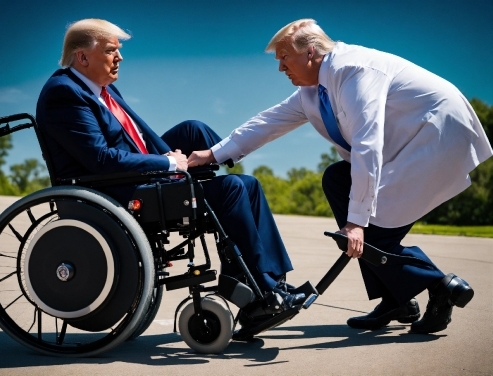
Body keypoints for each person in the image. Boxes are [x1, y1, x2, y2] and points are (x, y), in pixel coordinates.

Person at [188, 19, 493, 334]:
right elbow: (267, 122)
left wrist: (357, 221)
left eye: (284, 58)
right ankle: (398, 298)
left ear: (310, 53)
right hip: (406, 143)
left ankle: (441, 285)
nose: (280, 68)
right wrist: (212, 154)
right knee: (337, 179)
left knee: (375, 231)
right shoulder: (312, 91)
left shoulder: (355, 72)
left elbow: (367, 142)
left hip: (436, 133)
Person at [35, 18, 305, 307]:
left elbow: (134, 138)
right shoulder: (64, 93)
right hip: (114, 190)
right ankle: (258, 290)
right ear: (83, 56)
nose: (120, 57)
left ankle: (270, 279)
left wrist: (173, 162)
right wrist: (167, 165)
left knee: (233, 170)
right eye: (111, 50)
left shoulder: (103, 89)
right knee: (232, 189)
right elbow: (100, 160)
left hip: (133, 174)